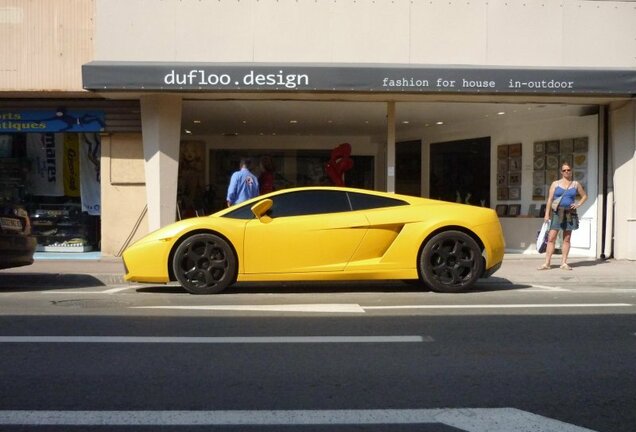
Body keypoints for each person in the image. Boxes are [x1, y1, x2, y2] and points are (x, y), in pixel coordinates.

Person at [538, 161, 587, 270]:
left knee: (567, 238)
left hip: (570, 213)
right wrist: (547, 214)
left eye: (568, 170)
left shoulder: (575, 184)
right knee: (551, 238)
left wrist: (578, 204)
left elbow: (584, 196)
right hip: (556, 213)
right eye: (564, 170)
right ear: (561, 172)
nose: (566, 172)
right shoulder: (555, 184)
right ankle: (547, 263)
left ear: (571, 171)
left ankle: (564, 263)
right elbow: (550, 200)